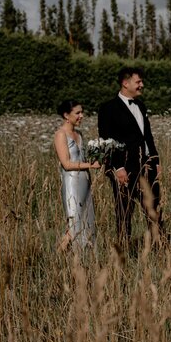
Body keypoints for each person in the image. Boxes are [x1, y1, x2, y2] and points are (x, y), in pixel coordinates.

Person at [98, 67, 165, 248]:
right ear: (125, 83)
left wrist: (155, 161)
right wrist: (117, 167)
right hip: (124, 169)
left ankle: (159, 248)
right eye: (138, 82)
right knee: (124, 211)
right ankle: (123, 252)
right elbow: (106, 140)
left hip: (146, 167)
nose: (142, 85)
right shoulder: (108, 109)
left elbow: (148, 137)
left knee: (153, 209)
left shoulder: (141, 106)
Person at [54, 100, 100, 251]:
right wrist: (89, 166)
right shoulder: (60, 134)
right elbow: (66, 164)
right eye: (78, 113)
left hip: (85, 182)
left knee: (87, 223)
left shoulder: (79, 134)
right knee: (73, 225)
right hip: (72, 183)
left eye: (82, 112)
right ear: (66, 115)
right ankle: (56, 258)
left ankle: (83, 260)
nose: (82, 116)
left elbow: (82, 158)